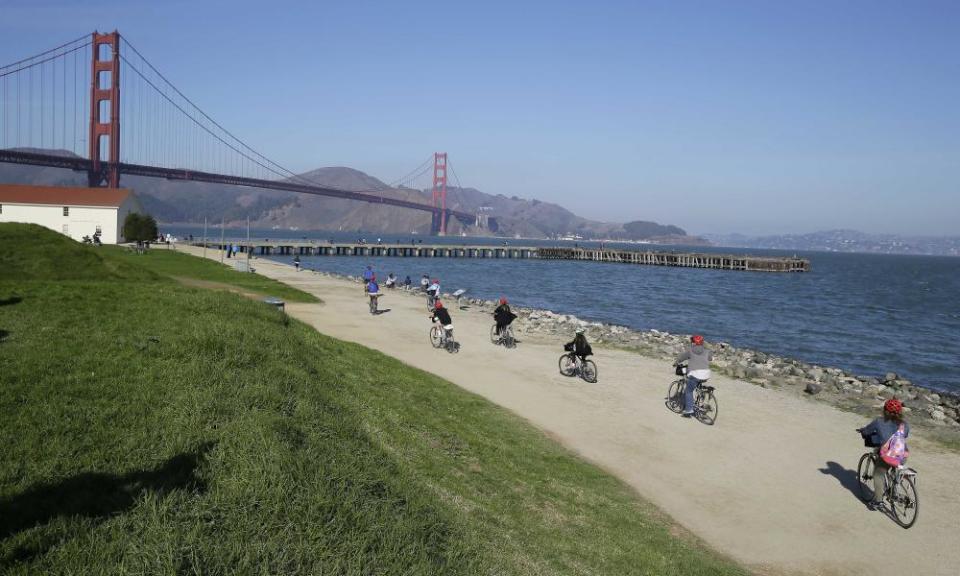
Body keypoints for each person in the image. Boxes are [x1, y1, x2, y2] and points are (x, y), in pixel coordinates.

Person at [859, 399, 911, 510]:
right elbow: (904, 435)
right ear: (900, 412)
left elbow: (867, 431)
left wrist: (863, 431)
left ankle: (878, 502)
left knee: (878, 474)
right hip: (902, 454)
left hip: (887, 456)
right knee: (894, 469)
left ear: (884, 410)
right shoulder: (904, 424)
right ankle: (894, 491)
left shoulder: (879, 421)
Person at [674, 335, 713, 417]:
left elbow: (681, 357)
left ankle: (688, 410)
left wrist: (676, 362)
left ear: (693, 342)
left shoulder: (690, 350)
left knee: (689, 391)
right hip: (706, 374)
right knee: (698, 385)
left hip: (695, 373)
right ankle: (701, 398)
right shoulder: (706, 350)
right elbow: (710, 358)